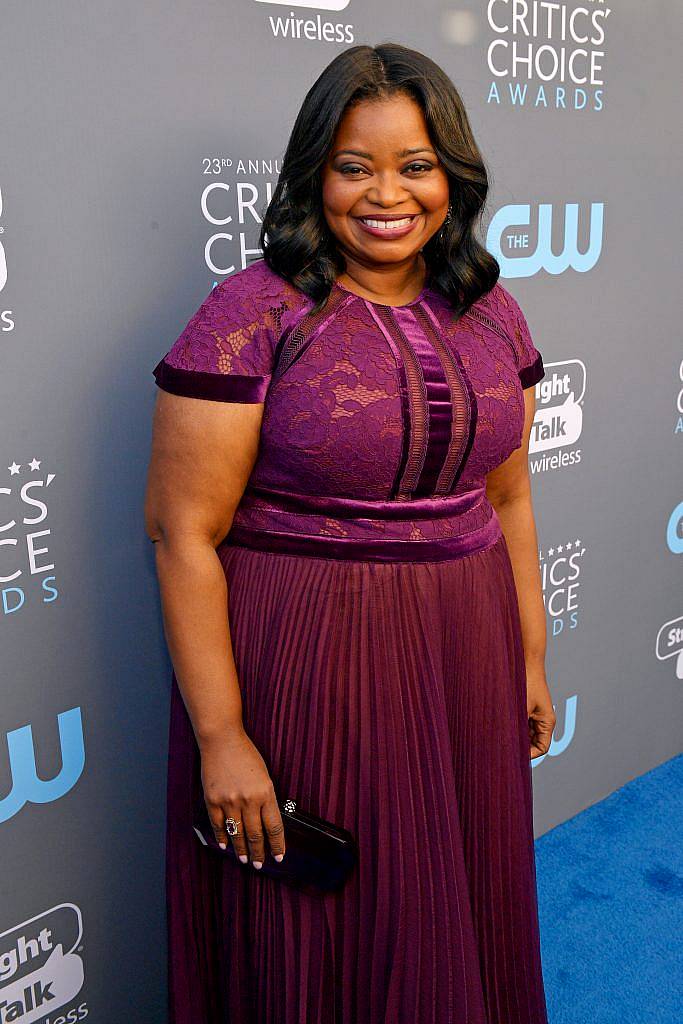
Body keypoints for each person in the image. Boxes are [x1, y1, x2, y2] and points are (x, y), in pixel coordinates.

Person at [144, 41, 554, 1024]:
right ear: (311, 174)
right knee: (334, 915)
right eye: (352, 165)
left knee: (453, 894)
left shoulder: (491, 311)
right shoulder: (250, 314)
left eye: (414, 165)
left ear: (450, 174)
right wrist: (222, 738)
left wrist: (528, 656)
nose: (387, 194)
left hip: (464, 640)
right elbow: (181, 535)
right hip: (310, 652)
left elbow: (509, 500)